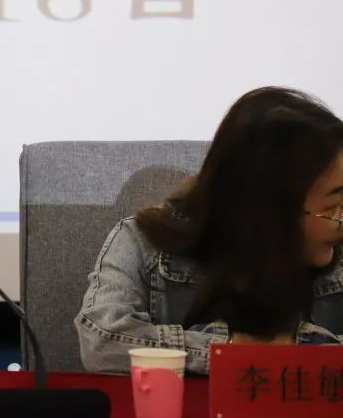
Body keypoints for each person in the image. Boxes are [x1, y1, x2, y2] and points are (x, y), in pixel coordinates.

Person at [77, 87, 343, 374]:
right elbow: (101, 343)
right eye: (332, 207)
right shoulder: (141, 244)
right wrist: (233, 352)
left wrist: (288, 352)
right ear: (268, 211)